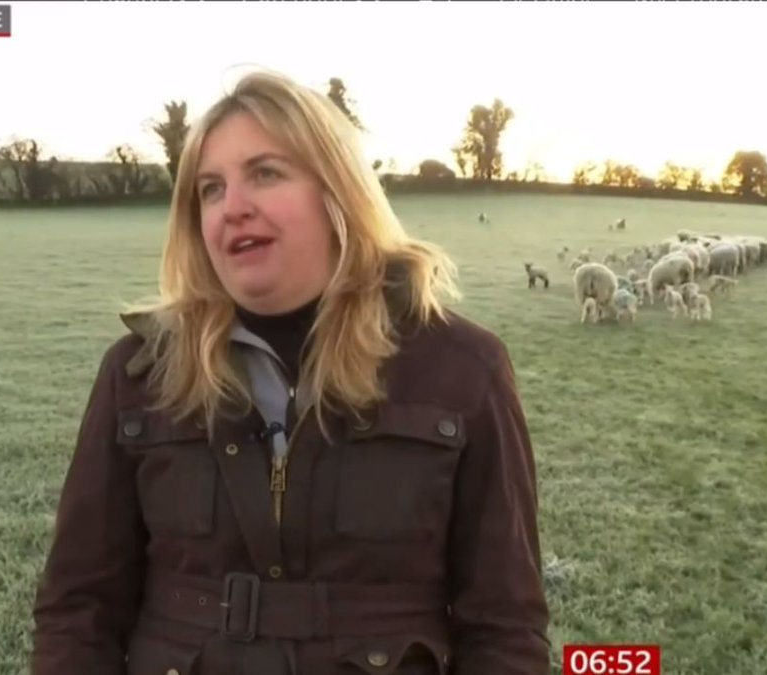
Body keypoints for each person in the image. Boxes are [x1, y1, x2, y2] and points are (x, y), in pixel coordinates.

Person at [30, 69, 550, 675]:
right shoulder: (140, 373)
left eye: (265, 173)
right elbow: (77, 610)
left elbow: (505, 628)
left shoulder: (464, 370)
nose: (234, 208)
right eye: (210, 189)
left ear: (338, 192)